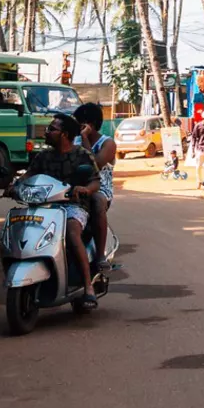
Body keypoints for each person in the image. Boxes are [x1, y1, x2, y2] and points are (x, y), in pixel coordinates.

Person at [24, 116, 98, 296]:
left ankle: (88, 286)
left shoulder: (82, 155)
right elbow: (28, 175)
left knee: (72, 231)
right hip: (44, 206)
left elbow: (95, 182)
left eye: (51, 129)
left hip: (73, 206)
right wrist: (15, 186)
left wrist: (85, 190)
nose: (47, 132)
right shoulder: (43, 156)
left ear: (64, 134)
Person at [71, 102, 117, 281]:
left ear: (89, 123)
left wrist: (84, 138)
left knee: (97, 201)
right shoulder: (73, 141)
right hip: (74, 187)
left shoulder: (107, 143)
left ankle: (100, 256)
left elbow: (93, 167)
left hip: (100, 190)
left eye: (79, 123)